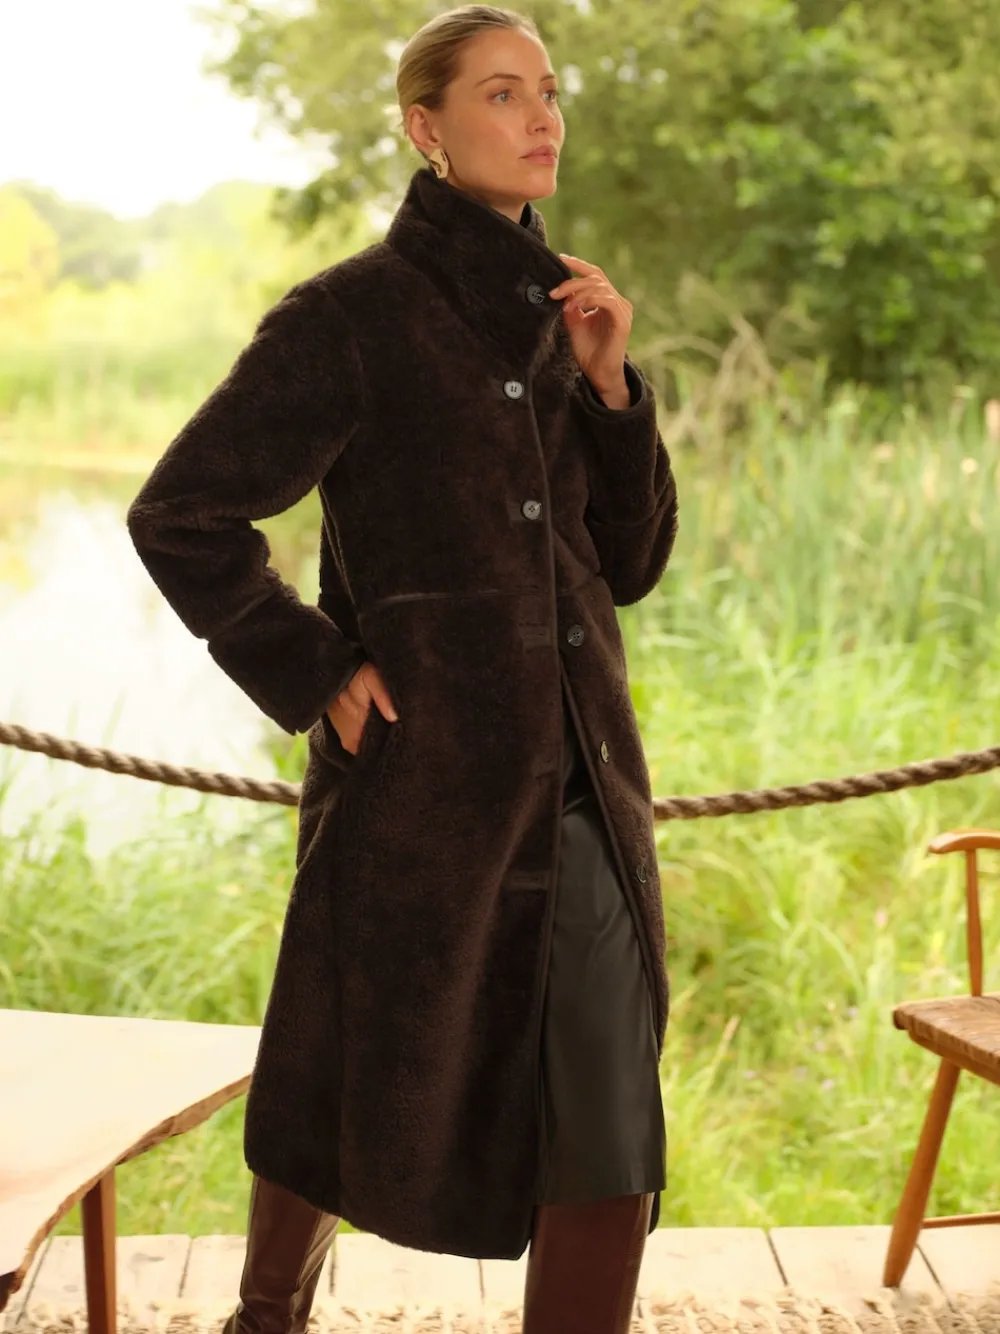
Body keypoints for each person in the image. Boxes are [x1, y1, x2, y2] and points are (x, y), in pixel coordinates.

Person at [126, 5, 680, 1331]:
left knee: (611, 1105)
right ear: (427, 129)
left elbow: (632, 562)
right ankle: (268, 1314)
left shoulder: (569, 316)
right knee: (342, 1069)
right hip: (419, 786)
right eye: (503, 93)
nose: (542, 117)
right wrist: (317, 669)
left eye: (549, 90)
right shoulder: (349, 316)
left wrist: (613, 391)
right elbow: (183, 511)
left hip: (585, 782)